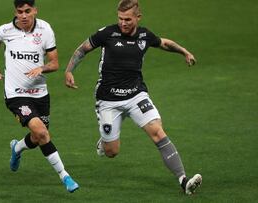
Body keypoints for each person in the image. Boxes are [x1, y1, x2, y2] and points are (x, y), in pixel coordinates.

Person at [65, 0, 201, 195]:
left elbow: (164, 43)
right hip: (108, 100)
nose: (123, 23)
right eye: (120, 19)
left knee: (157, 131)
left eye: (127, 19)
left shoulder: (145, 36)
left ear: (138, 17)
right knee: (112, 152)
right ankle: (104, 142)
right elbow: (82, 49)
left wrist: (184, 51)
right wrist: (69, 71)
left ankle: (183, 181)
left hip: (136, 95)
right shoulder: (107, 33)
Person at [0, 0, 79, 193]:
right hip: (16, 94)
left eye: (27, 11)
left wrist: (42, 68)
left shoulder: (45, 29)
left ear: (35, 11)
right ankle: (65, 176)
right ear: (15, 12)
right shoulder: (5, 30)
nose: (23, 15)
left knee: (38, 136)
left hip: (40, 93)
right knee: (42, 133)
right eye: (20, 11)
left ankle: (17, 148)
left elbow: (54, 63)